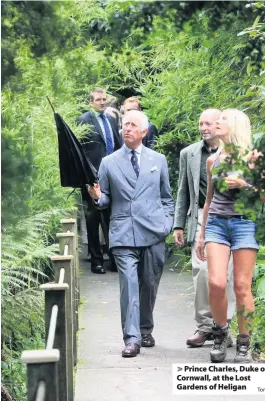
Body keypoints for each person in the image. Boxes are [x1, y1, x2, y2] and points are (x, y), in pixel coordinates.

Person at [88, 110, 174, 357]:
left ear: (144, 131)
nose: (127, 128)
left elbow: (167, 198)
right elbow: (104, 200)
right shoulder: (109, 162)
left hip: (154, 231)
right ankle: (132, 338)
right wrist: (96, 196)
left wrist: (166, 223)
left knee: (149, 283)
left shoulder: (158, 160)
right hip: (123, 232)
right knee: (129, 284)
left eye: (133, 125)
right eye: (125, 124)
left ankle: (145, 329)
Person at [196, 108, 260, 363]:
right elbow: (208, 201)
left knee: (243, 286)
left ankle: (244, 342)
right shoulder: (213, 160)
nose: (217, 123)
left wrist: (244, 185)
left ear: (235, 126)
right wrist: (201, 235)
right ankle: (221, 332)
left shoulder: (254, 158)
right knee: (216, 283)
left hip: (245, 224)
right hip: (217, 225)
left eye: (222, 119)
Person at [174, 109, 235, 348]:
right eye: (200, 123)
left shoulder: (235, 151)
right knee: (201, 271)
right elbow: (182, 191)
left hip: (230, 215)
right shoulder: (189, 153)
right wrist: (178, 224)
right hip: (201, 214)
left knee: (226, 276)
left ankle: (224, 326)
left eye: (208, 123)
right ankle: (204, 326)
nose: (203, 127)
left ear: (219, 124)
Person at [76, 87, 122, 274]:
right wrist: (87, 178)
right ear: (90, 102)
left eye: (104, 99)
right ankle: (96, 260)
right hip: (91, 178)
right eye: (98, 99)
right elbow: (80, 152)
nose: (102, 102)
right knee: (93, 221)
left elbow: (118, 148)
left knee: (112, 220)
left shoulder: (111, 120)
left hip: (112, 178)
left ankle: (113, 259)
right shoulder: (83, 121)